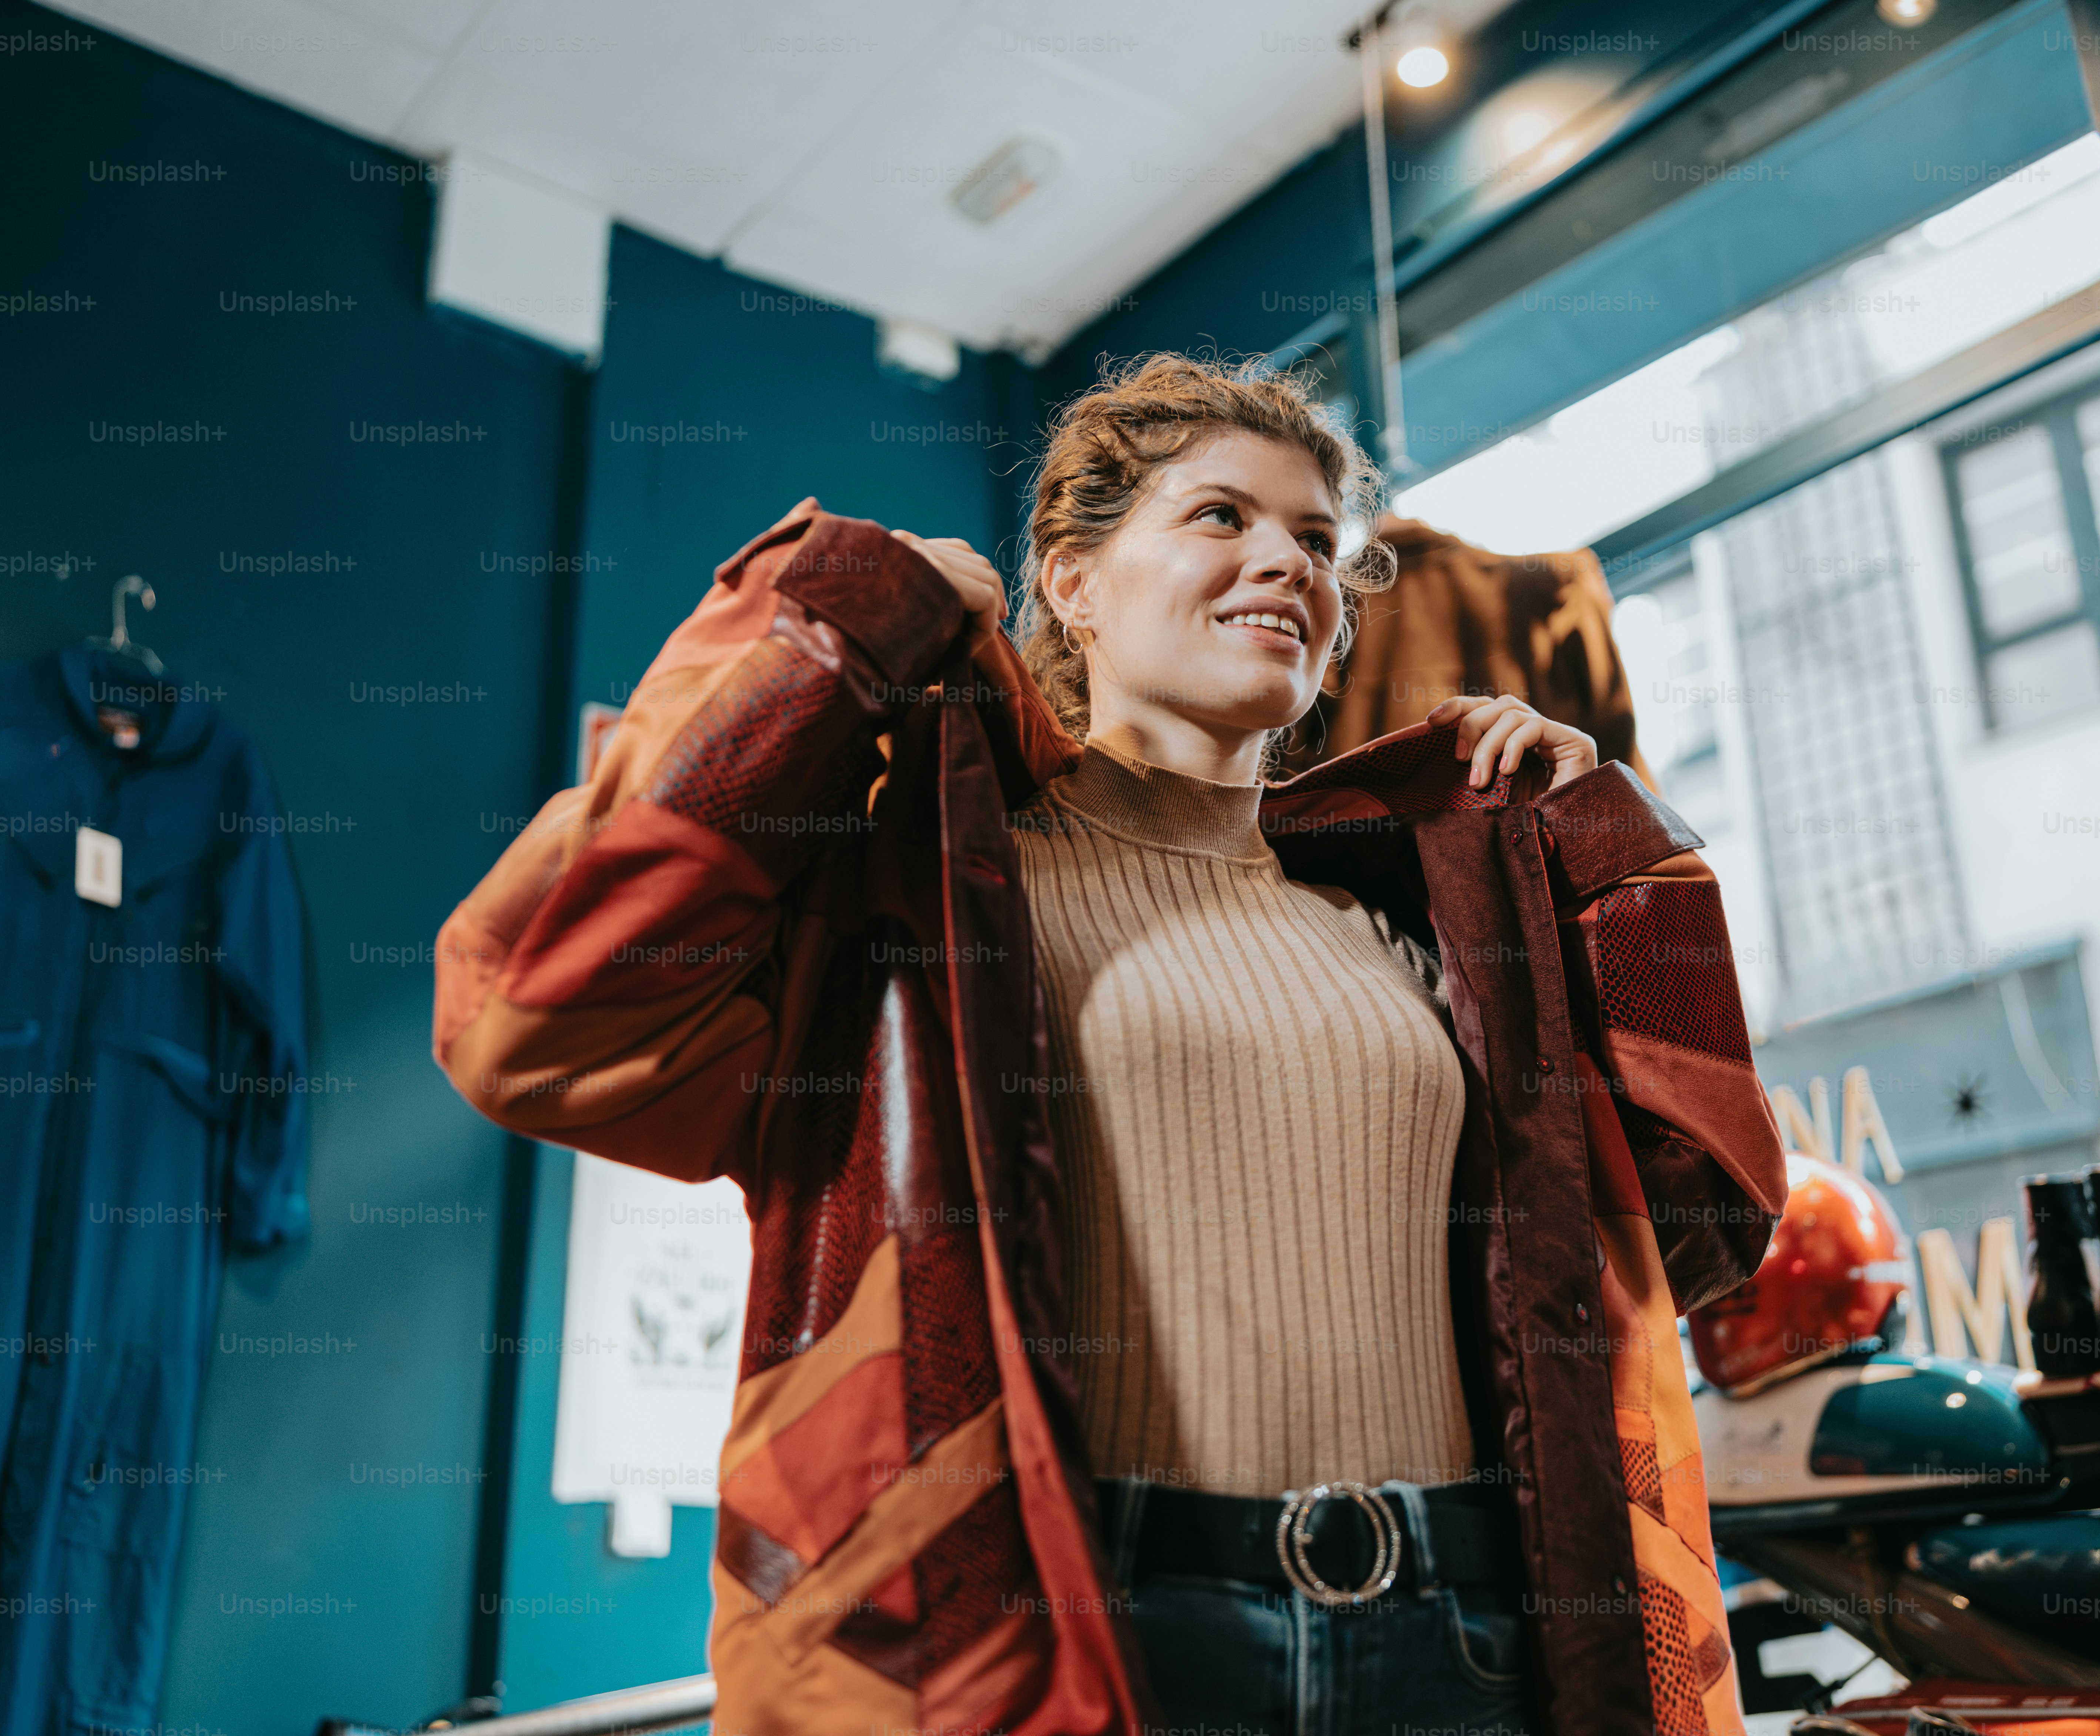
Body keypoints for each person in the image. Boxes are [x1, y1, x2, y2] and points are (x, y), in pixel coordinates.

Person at [432, 355, 1785, 1736]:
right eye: (1220, 517)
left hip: (1466, 1633)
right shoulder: (927, 900)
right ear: (1073, 586)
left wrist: (1609, 866)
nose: (1289, 563)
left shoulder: (1422, 918)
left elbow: (1698, 1226)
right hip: (1099, 1630)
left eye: (1319, 540)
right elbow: (534, 1010)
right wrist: (834, 628)